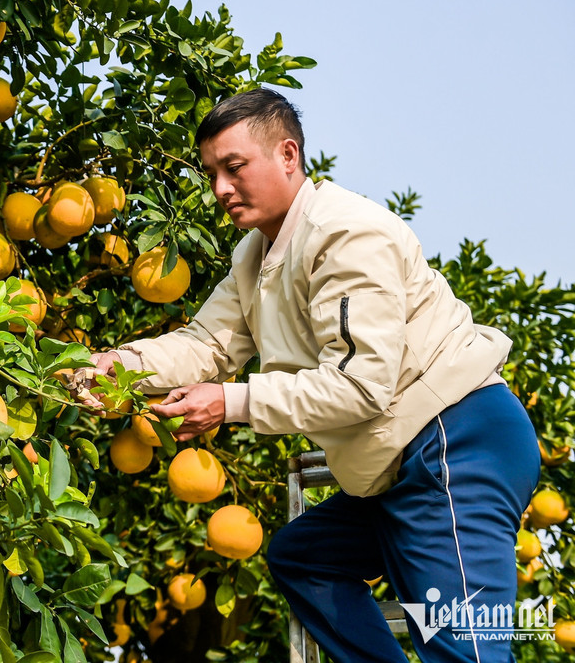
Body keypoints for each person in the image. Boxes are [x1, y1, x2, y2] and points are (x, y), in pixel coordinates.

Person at [69, 88, 539, 662]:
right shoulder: (254, 257)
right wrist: (112, 367)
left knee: (467, 652)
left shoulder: (347, 234)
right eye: (212, 173)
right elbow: (205, 346)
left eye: (234, 167)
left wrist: (232, 402)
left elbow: (360, 385)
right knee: (306, 556)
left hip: (455, 440)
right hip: (398, 461)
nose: (220, 188)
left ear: (288, 155)